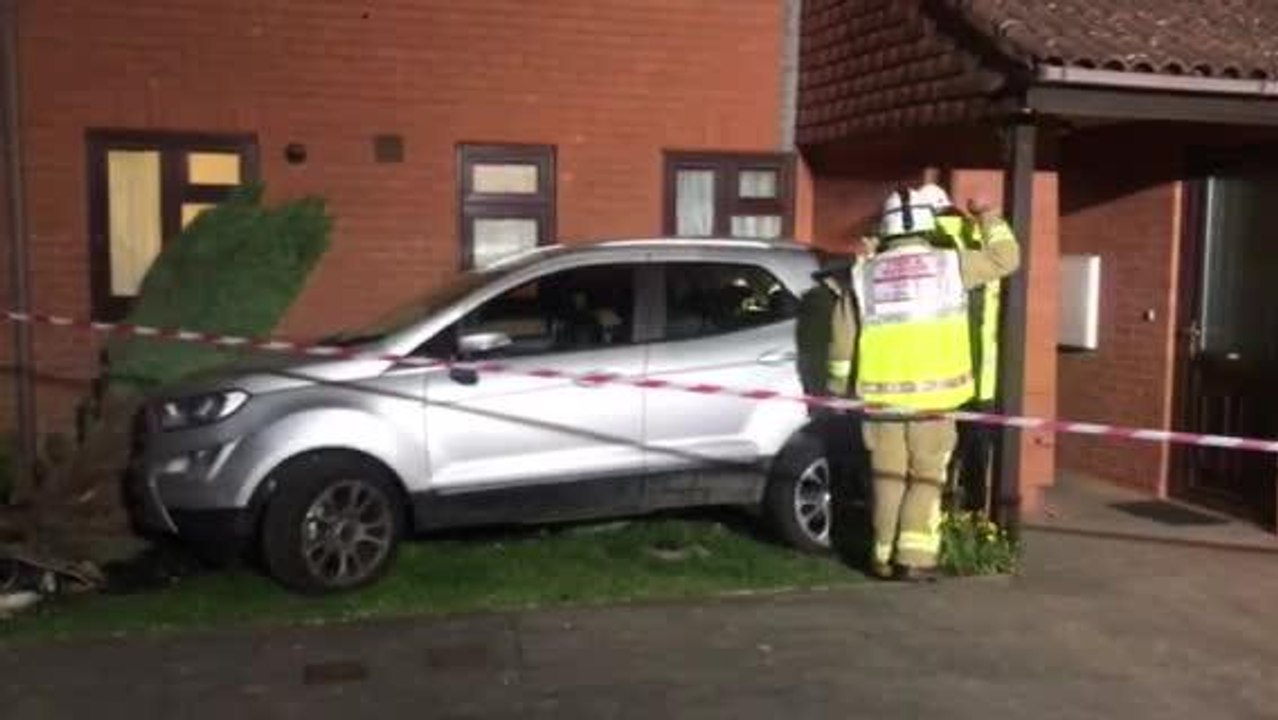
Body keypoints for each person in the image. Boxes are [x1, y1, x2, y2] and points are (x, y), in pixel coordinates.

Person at [852, 186, 1019, 581]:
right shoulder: (950, 264)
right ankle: (914, 559)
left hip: (881, 400)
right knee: (925, 478)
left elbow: (844, 338)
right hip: (934, 399)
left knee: (888, 479)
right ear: (929, 224)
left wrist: (836, 386)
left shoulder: (865, 270)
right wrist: (988, 215)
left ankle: (880, 556)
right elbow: (1006, 258)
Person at [914, 182, 1020, 515]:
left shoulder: (918, 245)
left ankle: (938, 513)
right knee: (976, 456)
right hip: (981, 377)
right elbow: (1008, 257)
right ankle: (973, 519)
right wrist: (989, 215)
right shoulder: (976, 238)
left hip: (933, 375)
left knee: (933, 458)